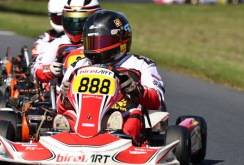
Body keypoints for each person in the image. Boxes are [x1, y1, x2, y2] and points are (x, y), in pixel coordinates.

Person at [56, 10, 166, 145]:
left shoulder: (140, 64)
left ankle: (120, 138)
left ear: (120, 40)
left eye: (101, 42)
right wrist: (64, 96)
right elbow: (60, 107)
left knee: (133, 115)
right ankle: (62, 137)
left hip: (122, 113)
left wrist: (135, 90)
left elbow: (157, 101)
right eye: (92, 42)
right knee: (68, 115)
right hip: (84, 116)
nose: (96, 48)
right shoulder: (78, 65)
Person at [31, 0, 101, 84]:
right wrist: (49, 70)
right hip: (63, 93)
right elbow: (36, 69)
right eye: (71, 21)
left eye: (82, 21)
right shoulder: (55, 44)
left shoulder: (102, 43)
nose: (76, 26)